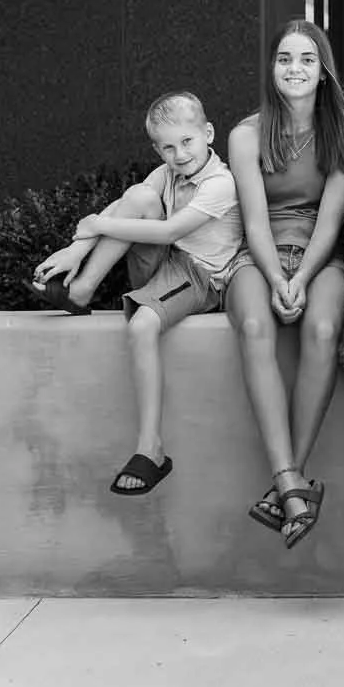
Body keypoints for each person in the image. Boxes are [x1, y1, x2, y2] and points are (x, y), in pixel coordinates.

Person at [28, 91, 243, 496]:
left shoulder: (221, 183)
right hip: (167, 263)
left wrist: (96, 225)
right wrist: (76, 249)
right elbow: (124, 208)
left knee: (142, 326)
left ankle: (151, 449)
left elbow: (169, 231)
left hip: (201, 276)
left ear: (209, 133)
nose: (180, 155)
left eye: (187, 142)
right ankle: (82, 289)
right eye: (168, 147)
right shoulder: (166, 173)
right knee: (139, 196)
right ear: (157, 149)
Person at [226, 19, 344, 549]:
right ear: (272, 68)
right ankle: (291, 485)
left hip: (320, 258)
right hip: (257, 258)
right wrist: (275, 276)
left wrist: (302, 277)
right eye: (284, 58)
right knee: (254, 325)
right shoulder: (245, 135)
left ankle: (288, 481)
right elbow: (255, 222)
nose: (294, 69)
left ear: (323, 71)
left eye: (307, 59)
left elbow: (328, 224)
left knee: (323, 328)